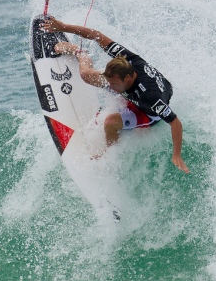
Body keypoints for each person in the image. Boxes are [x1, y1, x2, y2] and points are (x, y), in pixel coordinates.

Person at [40, 16, 189, 174]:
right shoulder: (128, 59)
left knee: (110, 122)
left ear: (128, 78)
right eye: (109, 82)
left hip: (147, 112)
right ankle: (80, 52)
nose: (109, 87)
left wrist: (177, 155)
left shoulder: (150, 98)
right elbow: (97, 35)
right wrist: (63, 27)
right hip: (135, 88)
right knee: (87, 76)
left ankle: (108, 154)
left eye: (114, 84)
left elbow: (175, 122)